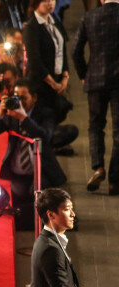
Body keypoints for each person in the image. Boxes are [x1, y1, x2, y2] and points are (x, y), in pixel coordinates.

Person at [0, 78, 67, 230]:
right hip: (19, 172)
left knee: (38, 195)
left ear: (34, 98)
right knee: (18, 198)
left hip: (42, 172)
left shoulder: (45, 114)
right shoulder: (10, 114)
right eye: (16, 97)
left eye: (24, 98)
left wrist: (24, 118)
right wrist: (0, 114)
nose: (20, 102)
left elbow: (44, 136)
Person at [72, 0, 119, 196]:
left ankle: (98, 167)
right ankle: (115, 181)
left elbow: (76, 50)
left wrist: (84, 74)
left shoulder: (89, 16)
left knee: (95, 126)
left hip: (96, 80)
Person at [23, 0, 71, 121]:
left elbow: (62, 51)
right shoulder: (31, 27)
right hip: (40, 85)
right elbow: (35, 61)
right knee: (43, 122)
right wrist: (53, 83)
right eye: (45, 1)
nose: (50, 3)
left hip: (57, 80)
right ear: (36, 3)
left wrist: (65, 76)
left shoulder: (55, 21)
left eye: (52, 0)